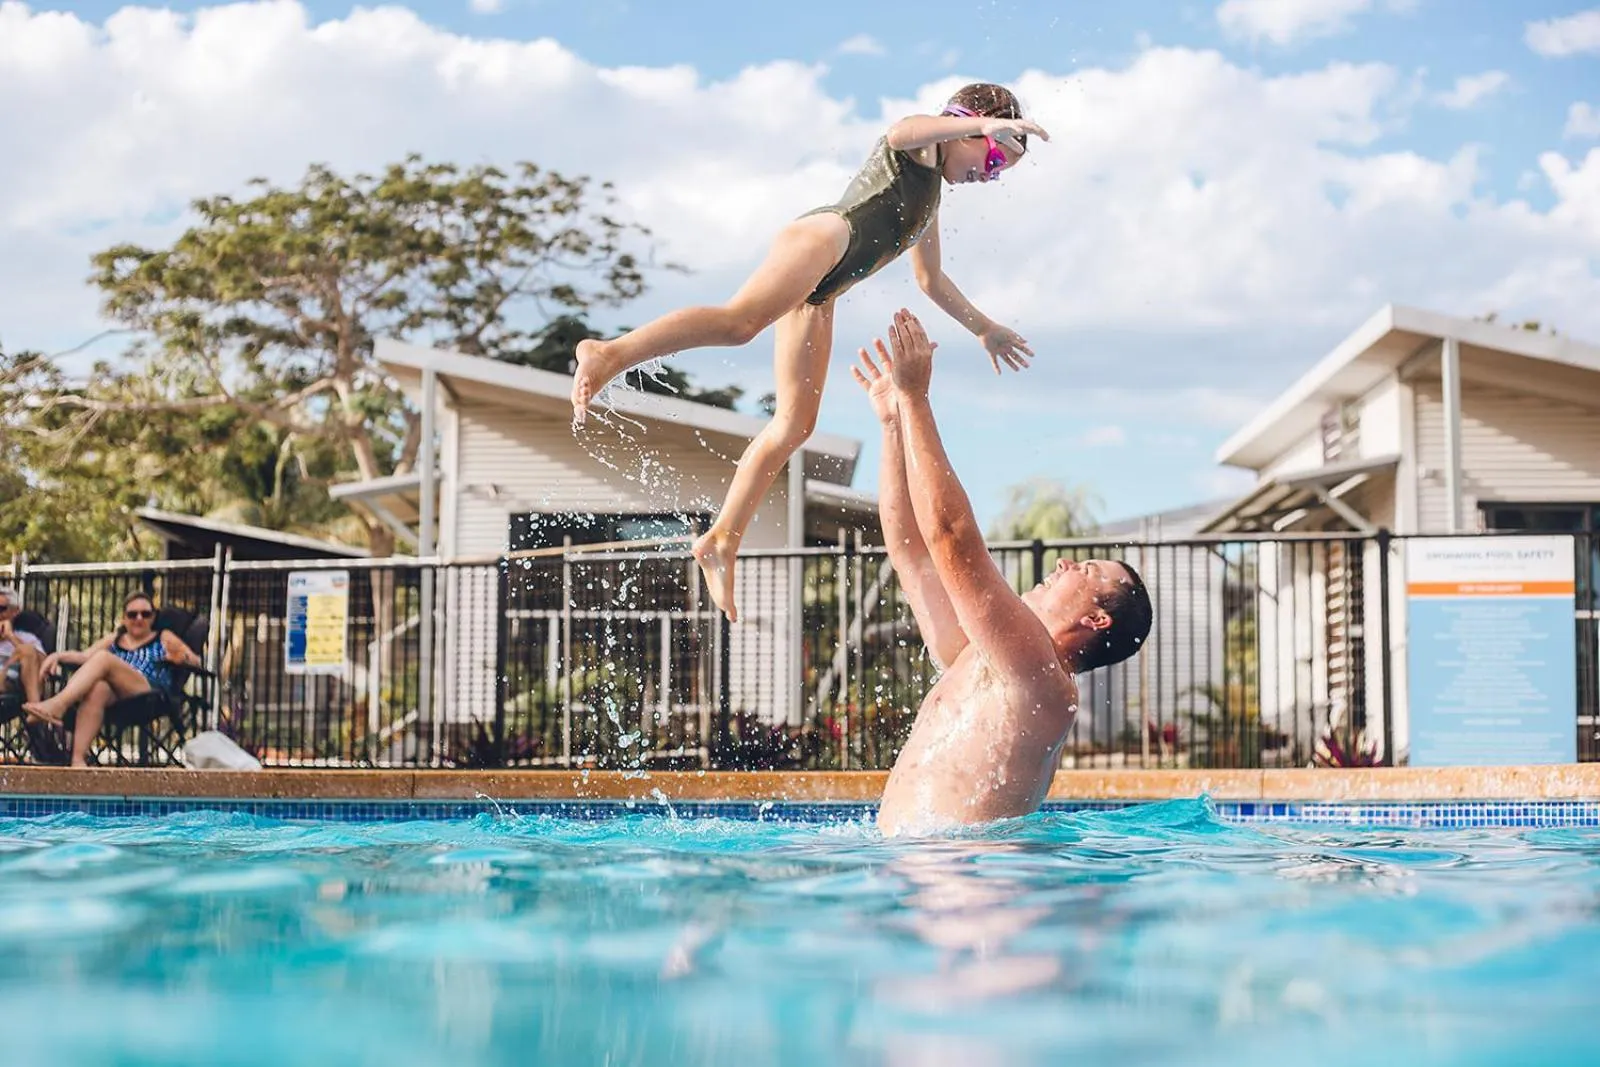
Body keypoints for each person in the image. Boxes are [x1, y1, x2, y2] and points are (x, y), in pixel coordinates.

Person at [570, 83, 1050, 622]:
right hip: (823, 240)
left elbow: (931, 280)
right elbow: (902, 129)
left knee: (795, 424)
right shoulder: (920, 148)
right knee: (739, 324)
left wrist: (984, 328)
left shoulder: (931, 197)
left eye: (998, 172)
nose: (988, 175)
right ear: (968, 123)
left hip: (823, 290)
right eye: (992, 158)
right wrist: (978, 129)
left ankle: (721, 540)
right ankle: (609, 353)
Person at [850, 309, 1153, 837]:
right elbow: (911, 554)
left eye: (1083, 568)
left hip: (971, 889)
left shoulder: (1044, 681)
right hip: (922, 872)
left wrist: (918, 399)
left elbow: (952, 540)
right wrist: (893, 424)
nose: (1063, 563)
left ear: (1098, 619)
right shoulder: (982, 660)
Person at [23, 591, 201, 768]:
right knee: (98, 688)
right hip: (117, 696)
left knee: (103, 659)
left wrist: (182, 657)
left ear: (153, 617)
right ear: (124, 618)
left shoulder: (163, 636)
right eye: (132, 614)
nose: (139, 618)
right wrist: (56, 656)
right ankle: (77, 761)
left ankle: (59, 704)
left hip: (150, 692)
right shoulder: (114, 639)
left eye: (145, 614)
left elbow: (196, 661)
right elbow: (84, 656)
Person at [0, 586, 45, 706]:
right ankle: (36, 710)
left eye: (1, 609)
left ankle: (35, 708)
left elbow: (43, 665)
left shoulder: (27, 638)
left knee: (27, 650)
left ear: (15, 611)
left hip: (11, 681)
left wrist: (11, 637)